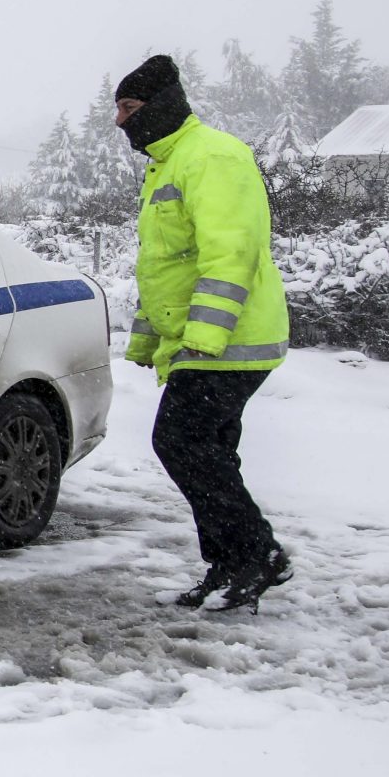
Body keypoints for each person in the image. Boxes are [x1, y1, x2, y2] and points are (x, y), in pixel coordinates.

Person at [115, 54, 294, 612]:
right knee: (211, 451)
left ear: (161, 106)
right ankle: (228, 566)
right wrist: (149, 339)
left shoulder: (212, 157)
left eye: (130, 108)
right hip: (202, 342)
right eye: (117, 109)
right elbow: (167, 267)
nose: (120, 122)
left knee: (181, 443)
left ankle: (259, 554)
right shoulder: (168, 164)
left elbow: (230, 254)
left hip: (229, 341)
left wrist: (205, 336)